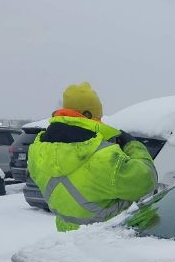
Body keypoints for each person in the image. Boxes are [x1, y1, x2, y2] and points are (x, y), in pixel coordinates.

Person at [28, 82, 157, 231]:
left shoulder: (36, 151)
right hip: (105, 237)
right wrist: (132, 145)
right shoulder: (104, 156)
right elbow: (147, 181)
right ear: (88, 115)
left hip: (66, 235)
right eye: (98, 117)